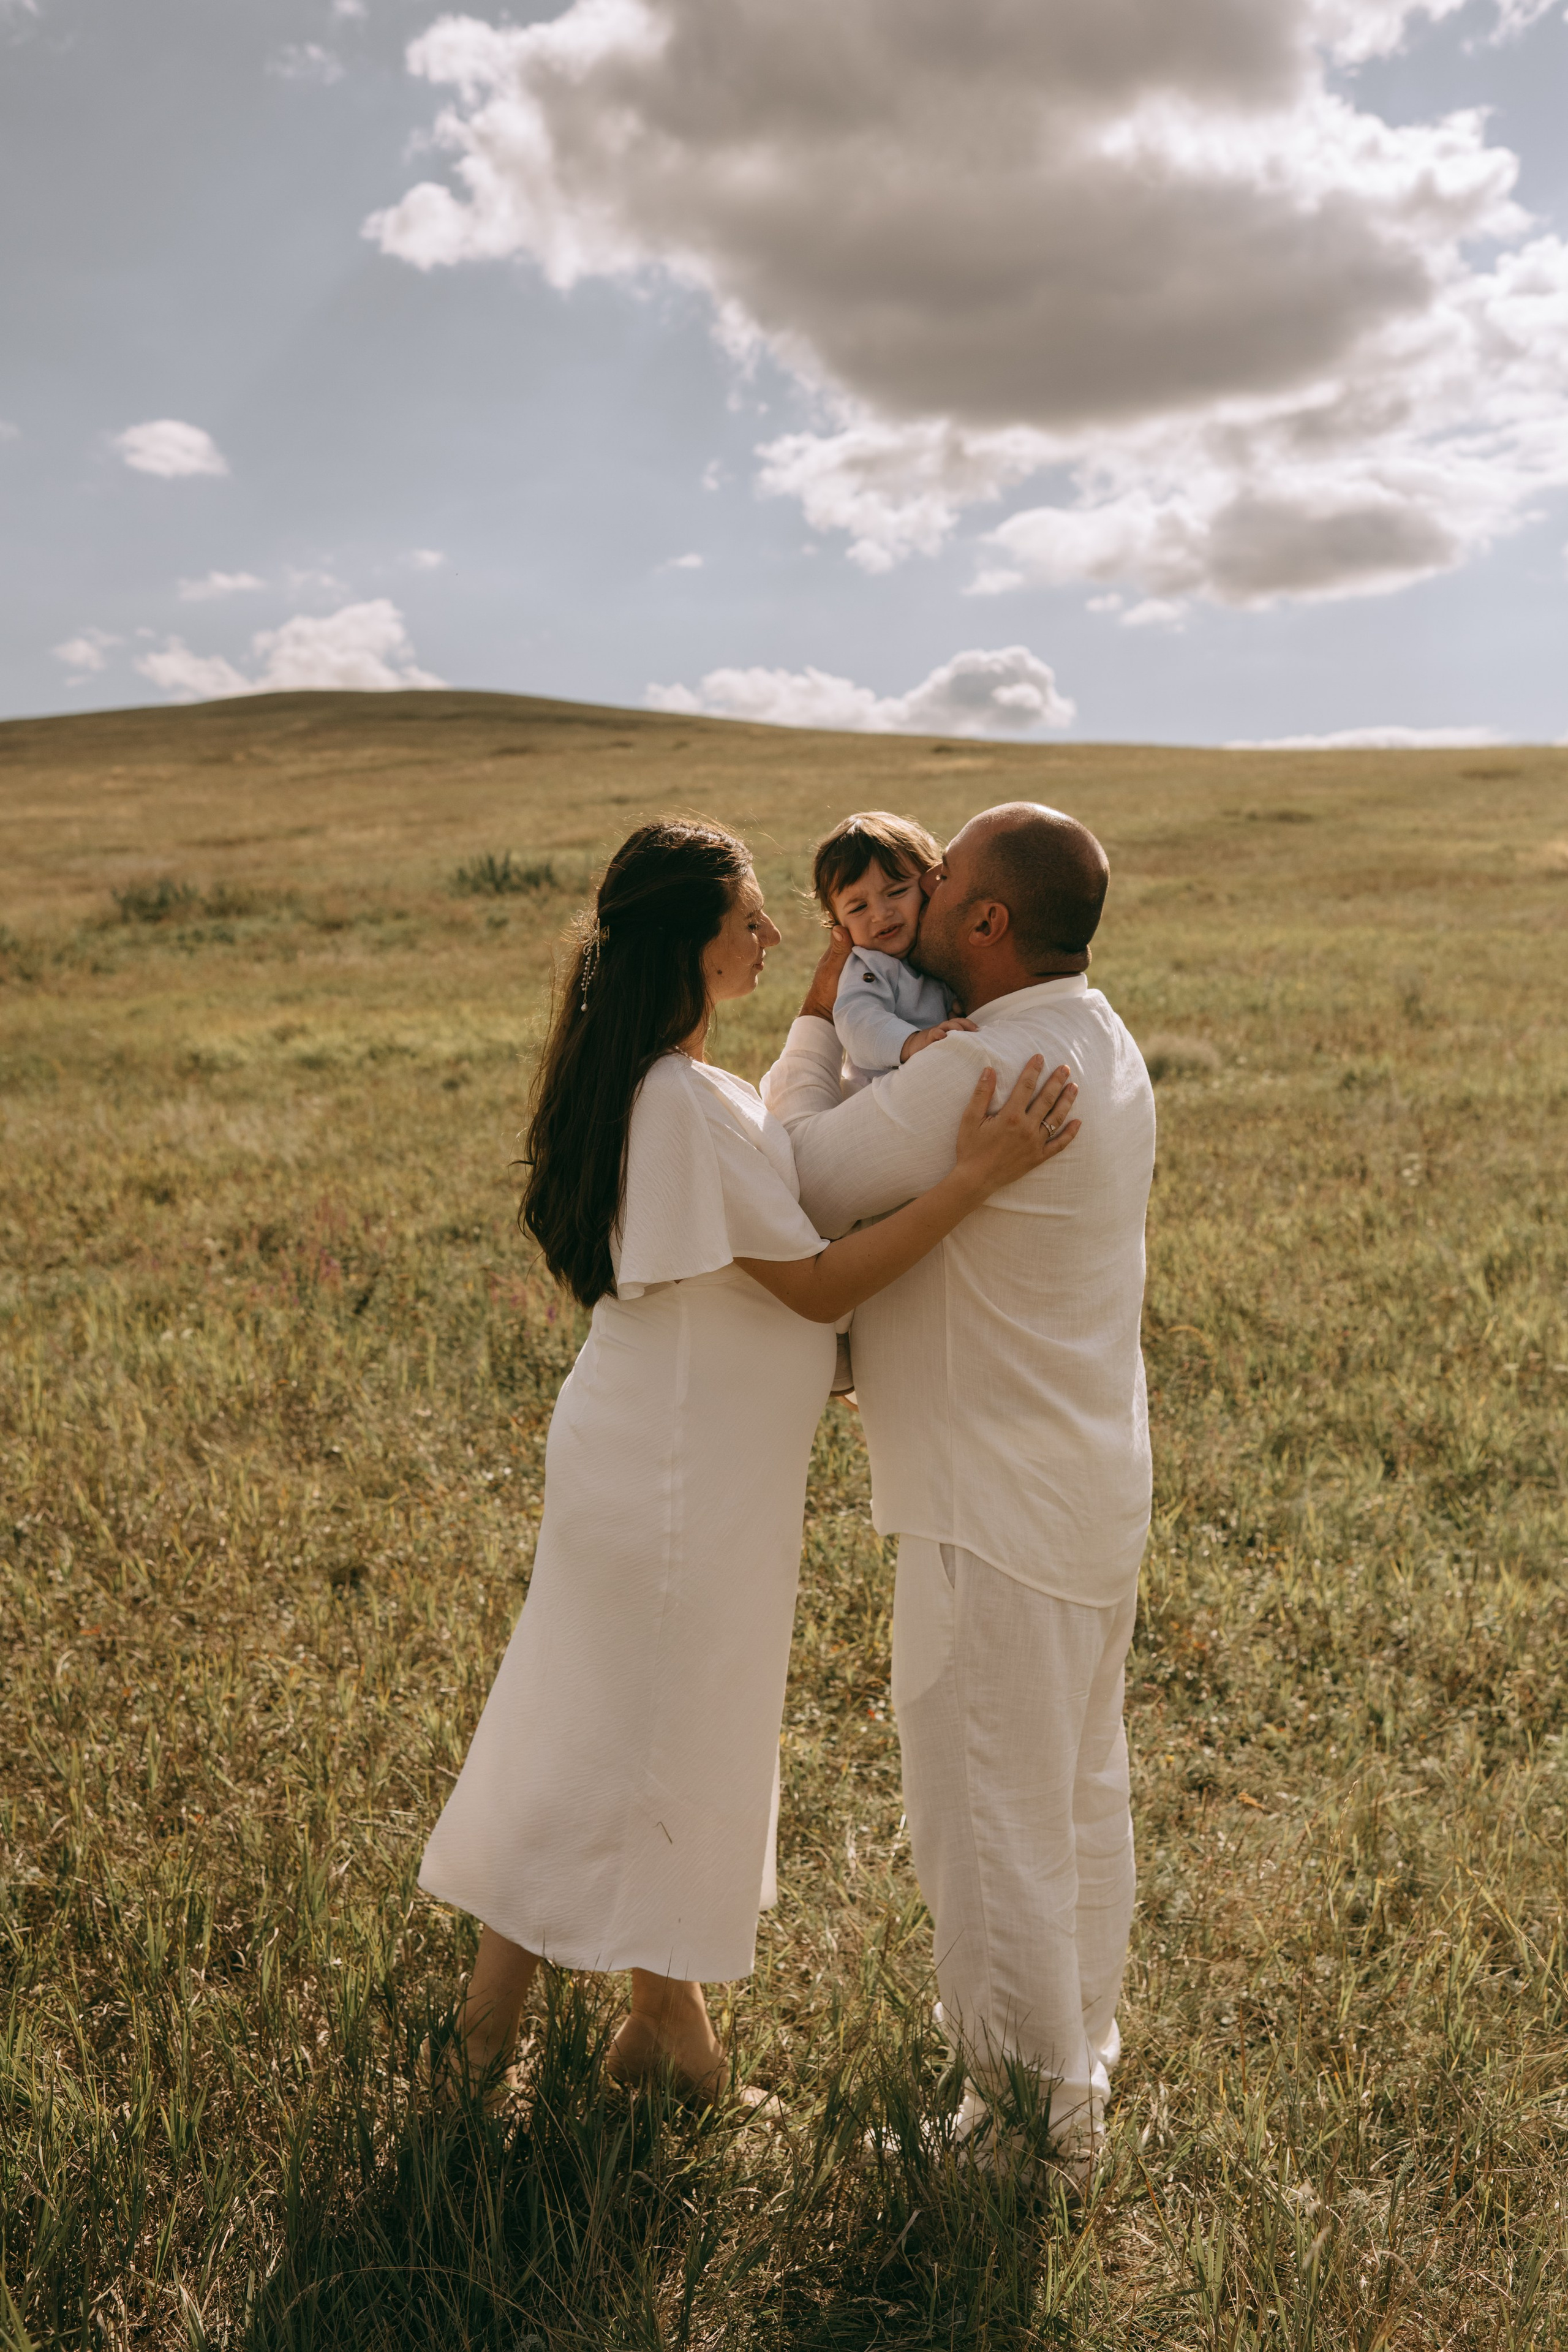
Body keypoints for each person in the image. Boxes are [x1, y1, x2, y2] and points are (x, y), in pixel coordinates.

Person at [418, 818, 1081, 2107]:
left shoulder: (687, 1087)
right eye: (751, 919)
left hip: (690, 1472)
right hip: (671, 1481)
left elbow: (771, 1231)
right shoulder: (674, 1100)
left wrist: (834, 1029)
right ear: (687, 940)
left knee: (653, 1742)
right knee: (603, 1747)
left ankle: (667, 2043)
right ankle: (474, 2056)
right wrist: (975, 1176)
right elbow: (813, 1278)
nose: (780, 936)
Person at [761, 802, 1156, 2187]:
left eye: (939, 880)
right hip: (1086, 1486)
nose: (909, 894)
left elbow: (790, 1177)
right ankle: (1073, 2070)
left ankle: (1021, 2134)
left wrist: (815, 1024)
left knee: (985, 1810)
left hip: (987, 1498)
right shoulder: (1095, 1036)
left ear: (984, 924)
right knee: (1068, 1792)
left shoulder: (974, 1070)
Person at [811, 810, 975, 1090]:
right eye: (859, 907)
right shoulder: (869, 965)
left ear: (929, 886)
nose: (881, 914)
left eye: (896, 892)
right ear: (838, 923)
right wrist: (913, 1041)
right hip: (878, 1097)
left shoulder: (936, 951)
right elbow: (859, 1022)